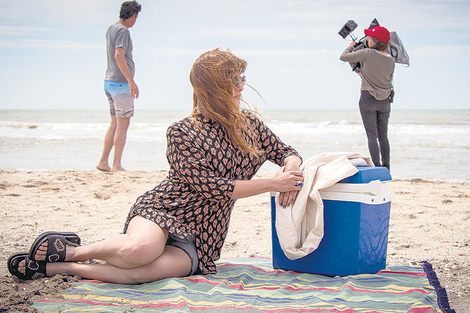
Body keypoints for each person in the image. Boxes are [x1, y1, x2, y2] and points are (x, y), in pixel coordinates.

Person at [8, 48, 304, 284]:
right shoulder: (182, 132)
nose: (242, 86)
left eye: (241, 78)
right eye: (234, 80)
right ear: (215, 87)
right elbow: (213, 188)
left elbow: (285, 151)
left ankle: (58, 269)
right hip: (164, 209)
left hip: (204, 234)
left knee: (144, 273)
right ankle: (74, 250)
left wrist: (290, 168)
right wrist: (273, 184)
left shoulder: (249, 125)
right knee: (139, 251)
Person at [340, 25, 395, 170]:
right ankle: (387, 168)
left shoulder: (367, 53)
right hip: (385, 102)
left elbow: (343, 57)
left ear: (376, 41)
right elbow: (387, 79)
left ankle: (376, 167)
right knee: (383, 135)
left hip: (368, 99)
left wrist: (351, 46)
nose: (368, 39)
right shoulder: (391, 59)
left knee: (372, 136)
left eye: (370, 37)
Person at [97, 1, 142, 172]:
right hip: (120, 84)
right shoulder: (123, 31)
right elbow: (118, 55)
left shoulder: (111, 28)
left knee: (114, 124)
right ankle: (116, 164)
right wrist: (131, 81)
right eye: (135, 18)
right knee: (122, 126)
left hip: (109, 82)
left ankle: (103, 162)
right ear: (132, 16)